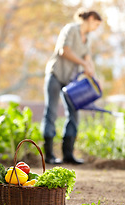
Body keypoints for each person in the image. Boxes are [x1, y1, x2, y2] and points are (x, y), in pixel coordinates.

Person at [41, 10, 102, 164]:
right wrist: (83, 64)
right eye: (96, 24)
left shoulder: (87, 39)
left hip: (70, 80)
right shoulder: (70, 29)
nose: (96, 27)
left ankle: (68, 154)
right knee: (51, 112)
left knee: (74, 113)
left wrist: (94, 78)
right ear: (90, 18)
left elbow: (88, 60)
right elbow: (64, 51)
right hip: (55, 75)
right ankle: (48, 155)